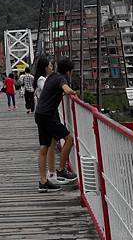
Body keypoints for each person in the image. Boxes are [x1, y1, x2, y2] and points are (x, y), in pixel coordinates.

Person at [35, 58, 78, 192]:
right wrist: (73, 92)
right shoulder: (61, 78)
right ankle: (61, 170)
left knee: (44, 148)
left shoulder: (51, 77)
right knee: (69, 139)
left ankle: (43, 182)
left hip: (39, 114)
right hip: (48, 116)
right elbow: (66, 89)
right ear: (68, 72)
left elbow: (55, 90)